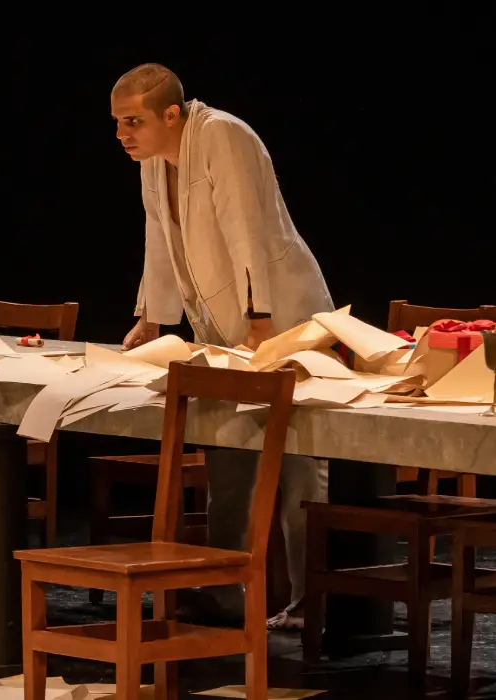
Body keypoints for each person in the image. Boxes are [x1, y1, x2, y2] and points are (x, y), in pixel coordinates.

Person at [111, 63, 332, 630]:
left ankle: (311, 602)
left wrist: (260, 321)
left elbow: (246, 230)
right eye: (117, 123)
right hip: (224, 326)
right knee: (228, 451)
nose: (122, 134)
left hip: (282, 318)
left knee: (298, 462)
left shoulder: (223, 137)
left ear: (171, 115)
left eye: (133, 121)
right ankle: (226, 590)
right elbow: (158, 237)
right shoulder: (154, 160)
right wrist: (151, 318)